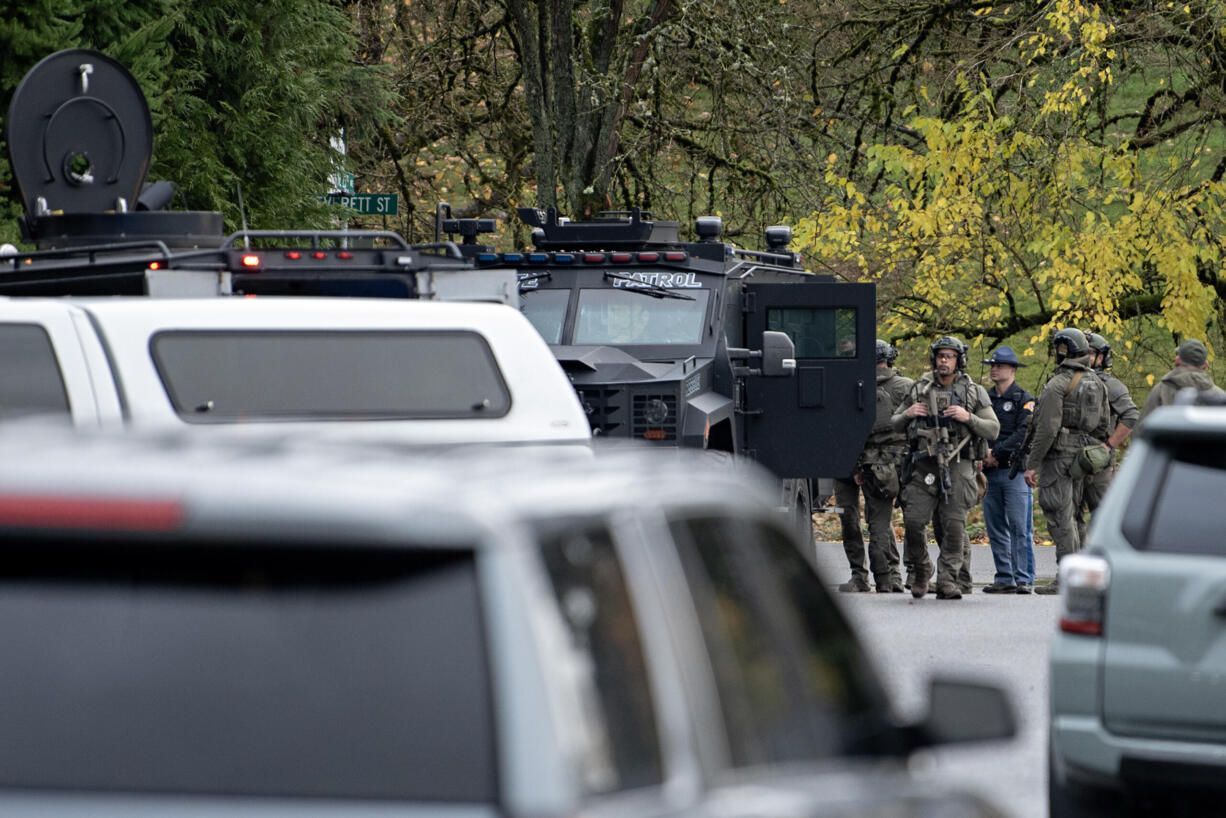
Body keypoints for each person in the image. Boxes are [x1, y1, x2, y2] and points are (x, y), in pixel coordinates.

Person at [893, 336, 999, 600]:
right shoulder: (918, 388)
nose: (944, 360)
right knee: (914, 522)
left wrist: (968, 417)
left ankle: (948, 579)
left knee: (954, 527)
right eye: (940, 355)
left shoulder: (973, 391)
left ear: (959, 360)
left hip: (958, 464)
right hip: (923, 465)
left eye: (949, 356)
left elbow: (993, 428)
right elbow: (893, 422)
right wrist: (908, 414)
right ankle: (921, 569)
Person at [1023, 329, 1110, 595]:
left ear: (1063, 350)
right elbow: (1104, 424)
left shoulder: (1058, 384)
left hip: (1059, 457)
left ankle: (1068, 577)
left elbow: (1047, 428)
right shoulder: (1097, 382)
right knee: (1074, 516)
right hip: (1085, 459)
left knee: (1060, 515)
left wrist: (1032, 463)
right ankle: (1080, 574)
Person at [836, 340, 913, 593]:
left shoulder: (848, 386)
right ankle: (893, 576)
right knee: (884, 518)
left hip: (849, 459)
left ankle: (862, 576)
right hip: (889, 461)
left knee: (852, 519)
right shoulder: (906, 386)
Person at [979, 346, 1036, 594]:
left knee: (1018, 526)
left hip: (1013, 471)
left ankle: (1023, 577)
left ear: (1012, 370)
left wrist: (996, 453)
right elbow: (979, 428)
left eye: (999, 365)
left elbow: (1024, 434)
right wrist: (984, 454)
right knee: (995, 527)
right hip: (989, 472)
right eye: (992, 365)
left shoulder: (1024, 399)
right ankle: (1004, 576)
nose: (994, 369)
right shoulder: (985, 399)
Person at [1075, 333, 1139, 544]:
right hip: (1070, 458)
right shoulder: (1070, 380)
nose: (1085, 357)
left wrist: (1109, 445)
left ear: (1101, 358)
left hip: (1099, 462)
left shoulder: (1110, 385)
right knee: (1070, 517)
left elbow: (1131, 415)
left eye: (1090, 353)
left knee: (1103, 517)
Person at [1137, 338, 1226, 424]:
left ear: (1177, 361)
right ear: (1205, 365)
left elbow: (1141, 430)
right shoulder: (1220, 397)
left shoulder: (1161, 390)